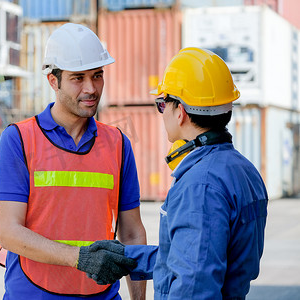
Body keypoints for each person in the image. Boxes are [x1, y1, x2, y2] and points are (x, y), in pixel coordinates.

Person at [89, 47, 269, 299]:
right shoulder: (244, 170)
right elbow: (194, 255)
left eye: (162, 104)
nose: (162, 113)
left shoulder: (200, 185)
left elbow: (194, 284)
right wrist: (129, 257)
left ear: (180, 112)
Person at [0, 23, 147, 299]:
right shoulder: (19, 140)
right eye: (78, 78)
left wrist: (139, 298)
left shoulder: (119, 144)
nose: (91, 88)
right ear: (53, 80)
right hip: (33, 293)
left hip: (101, 294)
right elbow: (9, 232)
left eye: (97, 75)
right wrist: (80, 258)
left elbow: (133, 232)